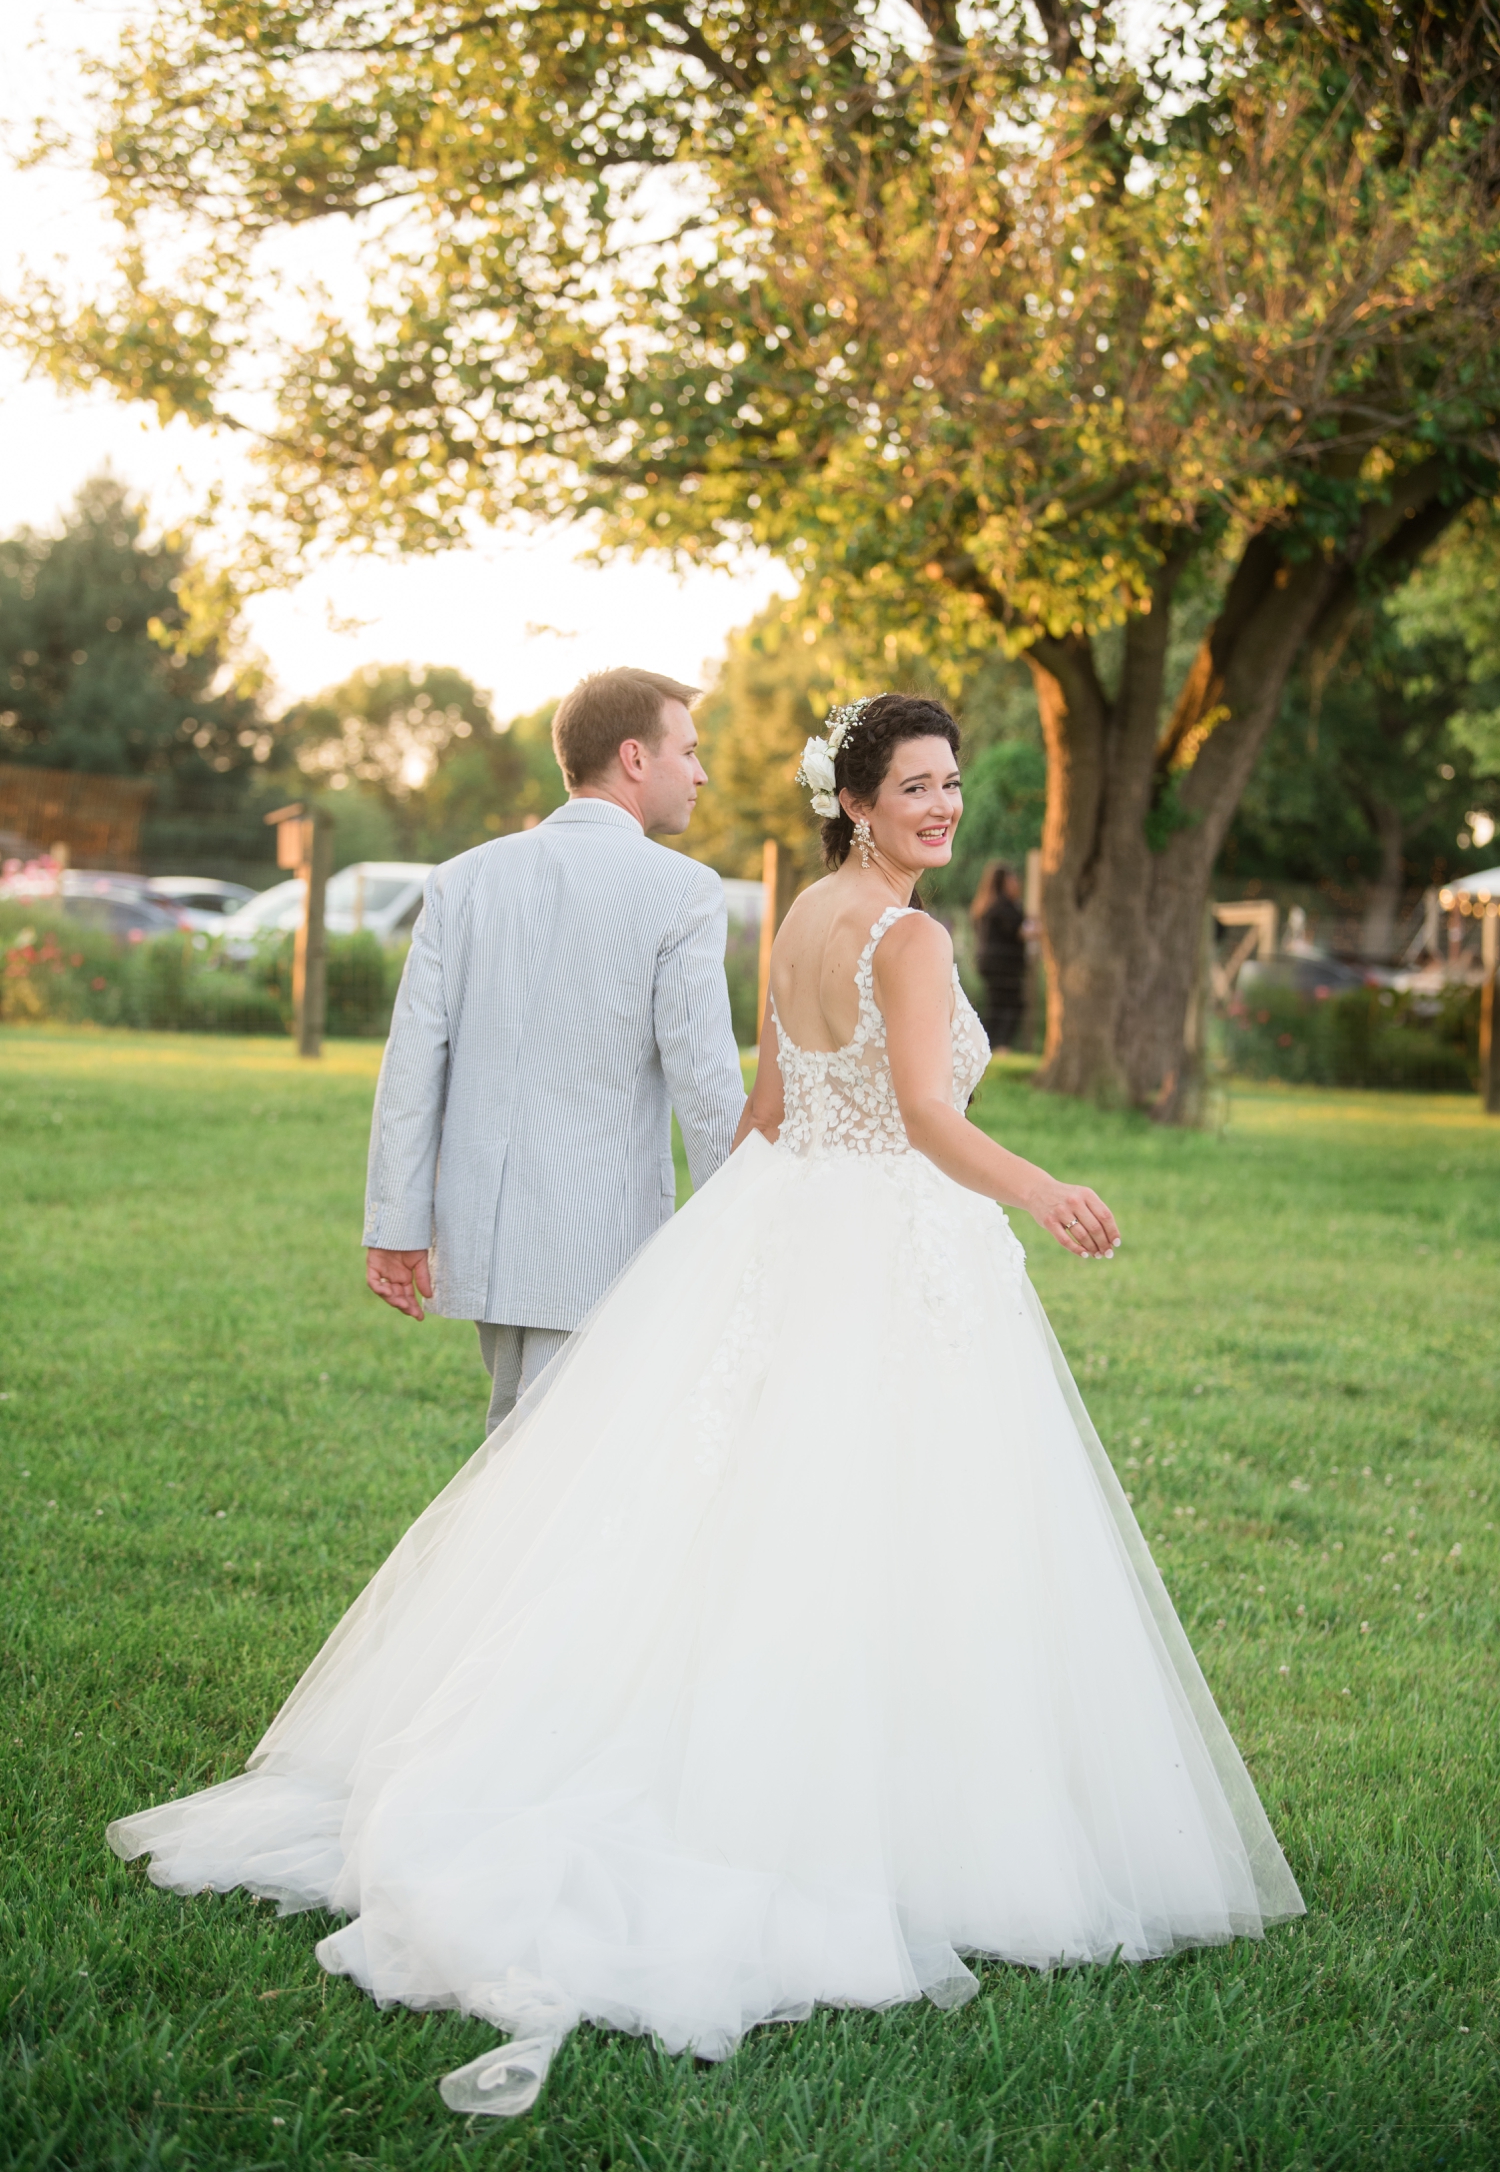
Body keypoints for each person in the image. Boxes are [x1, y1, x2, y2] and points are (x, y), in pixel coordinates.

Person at [108, 692, 1303, 2120]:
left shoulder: (800, 918)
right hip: (881, 1244)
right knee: (893, 1520)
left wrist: (717, 1252)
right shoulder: (910, 935)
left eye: (951, 786)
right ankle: (879, 1808)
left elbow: (770, 1113)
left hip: (798, 1222)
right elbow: (919, 1111)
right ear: (856, 797)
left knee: (750, 1511)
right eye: (916, 785)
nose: (941, 807)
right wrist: (1044, 1186)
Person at [362, 666, 745, 1436]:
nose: (700, 773)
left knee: (520, 1460)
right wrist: (745, 1223)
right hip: (601, 1247)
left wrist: (396, 1226)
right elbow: (706, 1089)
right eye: (690, 751)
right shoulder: (684, 891)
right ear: (635, 758)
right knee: (558, 1481)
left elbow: (411, 1066)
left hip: (486, 1239)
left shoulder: (461, 880)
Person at [970, 859, 1028, 1051]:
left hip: (989, 965)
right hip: (1005, 967)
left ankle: (990, 1045)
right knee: (1010, 1006)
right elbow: (1019, 931)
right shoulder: (1004, 907)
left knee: (996, 1007)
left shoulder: (985, 907)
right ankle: (1000, 1046)